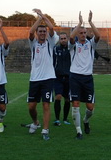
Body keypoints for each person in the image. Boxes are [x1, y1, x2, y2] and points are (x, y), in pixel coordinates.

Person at [26, 8, 59, 141]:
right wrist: (38, 19)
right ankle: (35, 122)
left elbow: (51, 28)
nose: (42, 33)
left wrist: (43, 16)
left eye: (44, 31)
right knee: (31, 106)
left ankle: (45, 130)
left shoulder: (50, 42)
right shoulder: (33, 43)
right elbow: (30, 32)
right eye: (40, 31)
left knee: (46, 104)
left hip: (48, 78)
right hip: (34, 78)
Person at [69, 10, 101, 140]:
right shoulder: (73, 45)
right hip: (75, 77)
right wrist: (79, 23)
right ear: (77, 34)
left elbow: (98, 36)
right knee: (75, 104)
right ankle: (78, 131)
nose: (82, 35)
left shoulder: (91, 44)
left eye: (84, 33)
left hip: (87, 78)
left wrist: (90, 22)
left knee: (90, 107)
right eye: (80, 33)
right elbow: (70, 37)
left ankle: (86, 121)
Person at [53, 32, 71, 126]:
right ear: (59, 40)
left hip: (68, 78)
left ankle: (65, 119)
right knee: (58, 96)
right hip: (58, 78)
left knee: (67, 99)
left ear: (67, 39)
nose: (63, 40)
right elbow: (53, 62)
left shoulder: (71, 49)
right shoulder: (55, 49)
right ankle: (57, 119)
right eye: (61, 39)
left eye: (64, 38)